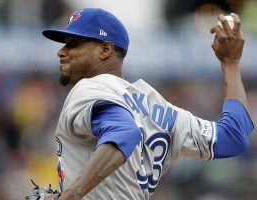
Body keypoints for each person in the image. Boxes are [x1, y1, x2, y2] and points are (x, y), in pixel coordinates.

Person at [42, 8, 254, 200]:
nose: (61, 52)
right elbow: (233, 137)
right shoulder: (161, 108)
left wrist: (70, 195)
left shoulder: (90, 88)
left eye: (73, 44)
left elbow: (124, 131)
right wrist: (231, 64)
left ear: (105, 50)